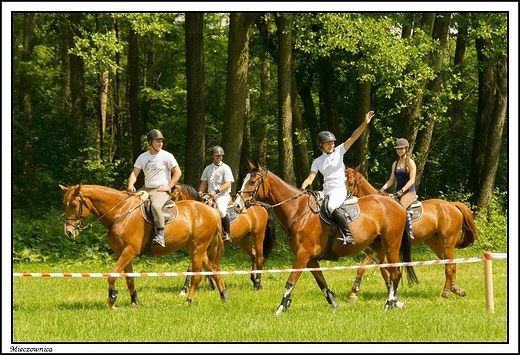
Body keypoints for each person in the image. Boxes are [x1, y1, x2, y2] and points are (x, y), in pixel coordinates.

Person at [301, 110, 375, 245]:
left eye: (333, 142)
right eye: (328, 143)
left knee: (330, 206)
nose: (332, 145)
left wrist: (365, 123)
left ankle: (348, 235)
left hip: (339, 188)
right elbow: (311, 177)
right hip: (326, 190)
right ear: (321, 145)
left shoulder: (340, 150)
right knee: (313, 206)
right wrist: (304, 185)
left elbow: (353, 137)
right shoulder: (317, 161)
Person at [127, 129, 182, 247]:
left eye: (161, 141)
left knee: (155, 206)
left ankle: (160, 236)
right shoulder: (142, 157)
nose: (160, 144)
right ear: (150, 142)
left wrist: (169, 186)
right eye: (157, 141)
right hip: (145, 189)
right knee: (129, 203)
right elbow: (135, 173)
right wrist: (131, 185)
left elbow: (177, 172)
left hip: (160, 190)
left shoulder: (167, 156)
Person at [379, 137, 417, 240]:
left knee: (401, 208)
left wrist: (402, 191)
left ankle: (408, 232)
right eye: (397, 149)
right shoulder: (395, 164)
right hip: (398, 193)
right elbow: (391, 180)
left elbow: (412, 180)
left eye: (401, 148)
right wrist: (382, 189)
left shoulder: (410, 162)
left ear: (406, 149)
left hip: (409, 192)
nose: (399, 151)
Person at [198, 145, 235, 243]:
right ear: (212, 156)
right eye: (217, 155)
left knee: (222, 211)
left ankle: (227, 233)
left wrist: (216, 192)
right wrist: (200, 192)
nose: (219, 157)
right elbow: (204, 182)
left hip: (222, 195)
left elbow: (228, 183)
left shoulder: (225, 168)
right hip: (210, 195)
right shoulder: (208, 168)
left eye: (221, 156)